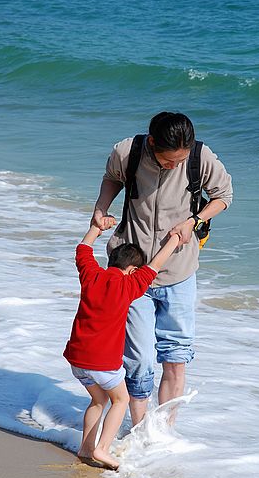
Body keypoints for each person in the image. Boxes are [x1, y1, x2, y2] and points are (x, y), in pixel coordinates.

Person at [91, 112, 233, 426]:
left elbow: (224, 196)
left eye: (180, 161)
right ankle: (142, 429)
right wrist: (100, 210)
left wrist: (194, 221)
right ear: (152, 143)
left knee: (176, 358)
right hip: (130, 272)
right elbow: (112, 178)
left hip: (179, 271)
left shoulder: (200, 157)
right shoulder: (127, 152)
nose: (174, 166)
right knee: (138, 360)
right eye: (169, 161)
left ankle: (164, 432)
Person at [63, 221, 182, 469]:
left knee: (98, 400)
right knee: (121, 399)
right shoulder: (128, 285)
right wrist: (174, 239)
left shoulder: (91, 275)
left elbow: (83, 249)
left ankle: (85, 449)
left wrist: (97, 227)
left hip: (77, 358)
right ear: (131, 270)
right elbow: (156, 265)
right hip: (102, 362)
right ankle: (102, 449)